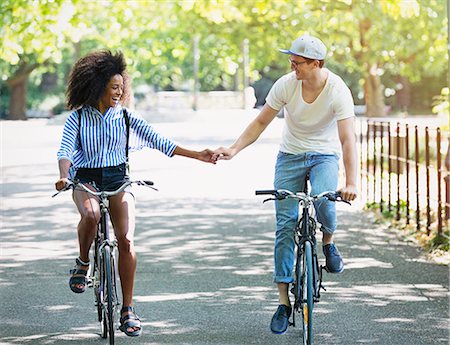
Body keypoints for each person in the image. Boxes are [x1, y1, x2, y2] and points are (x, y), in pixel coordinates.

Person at [55, 50, 216, 337]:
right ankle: (83, 263)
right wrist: (64, 175)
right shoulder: (77, 118)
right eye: (113, 87)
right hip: (86, 180)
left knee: (126, 238)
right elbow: (65, 149)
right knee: (90, 214)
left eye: (121, 87)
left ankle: (127, 308)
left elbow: (159, 140)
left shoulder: (127, 118)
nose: (119, 92)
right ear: (97, 85)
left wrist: (198, 155)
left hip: (119, 179)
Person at [213, 35, 357, 335]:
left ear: (316, 64)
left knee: (324, 203)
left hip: (324, 156)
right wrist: (234, 148)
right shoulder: (286, 84)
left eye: (298, 62)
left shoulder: (337, 90)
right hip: (290, 156)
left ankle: (328, 243)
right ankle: (283, 302)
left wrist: (352, 181)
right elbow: (260, 122)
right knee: (285, 225)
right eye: (291, 61)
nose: (292, 67)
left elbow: (347, 139)